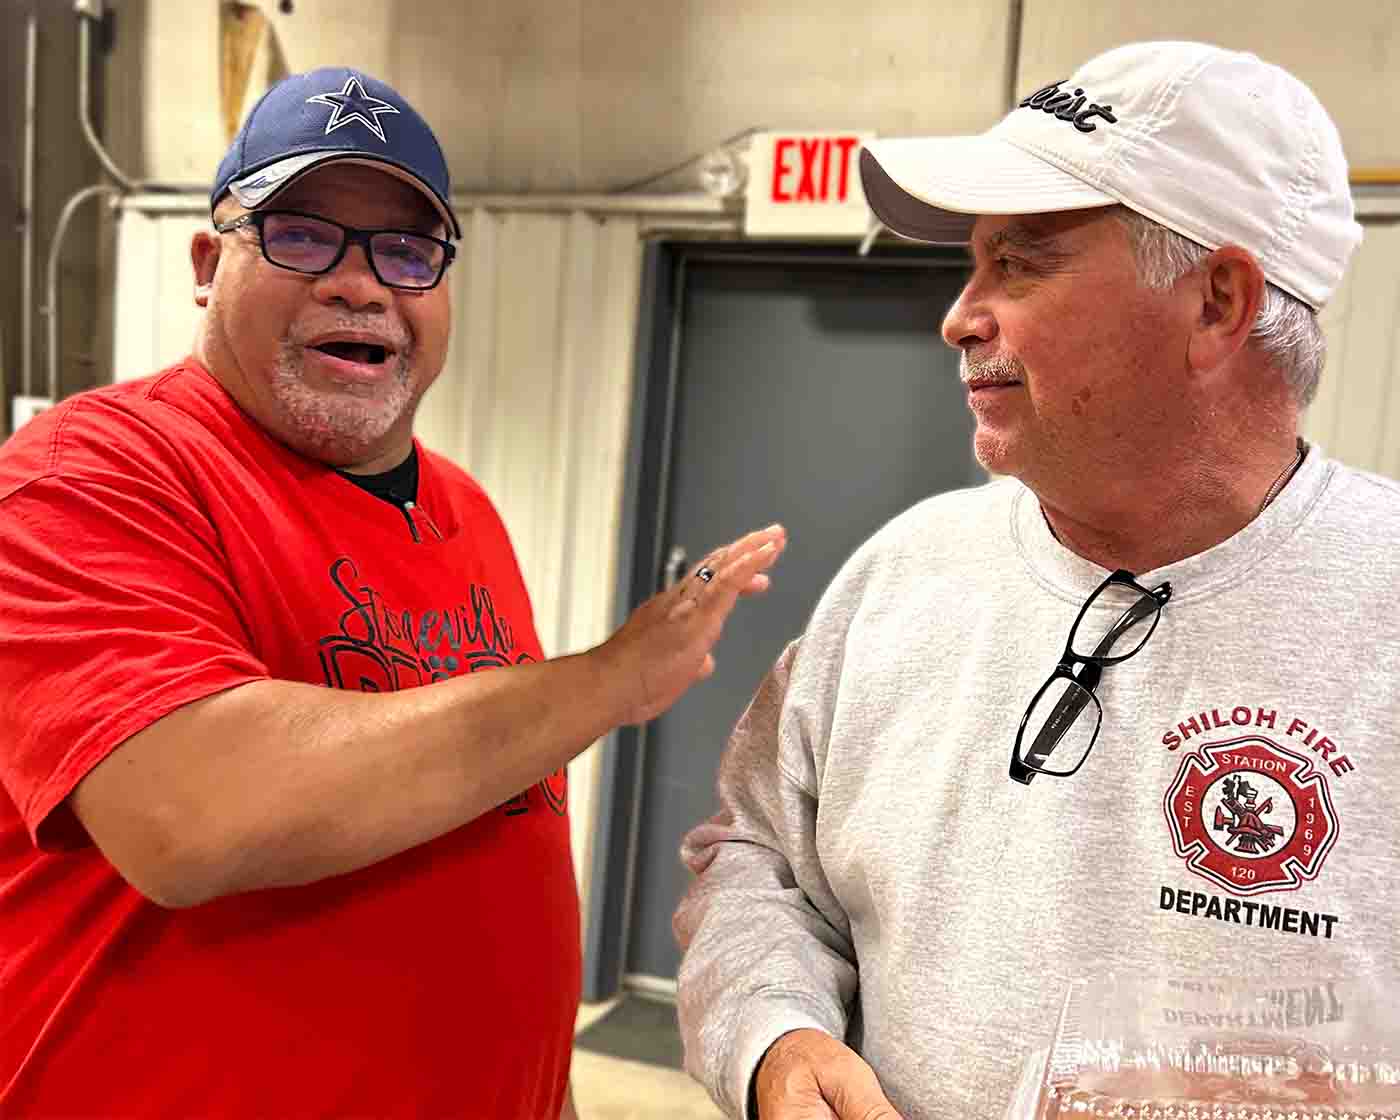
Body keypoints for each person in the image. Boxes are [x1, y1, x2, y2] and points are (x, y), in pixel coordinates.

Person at [0, 67, 785, 1118]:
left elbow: (500, 822)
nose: (360, 283)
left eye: (406, 250)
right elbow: (188, 810)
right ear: (205, 262)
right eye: (303, 235)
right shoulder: (91, 470)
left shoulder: (463, 507)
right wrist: (609, 677)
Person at [673, 40, 1400, 1120]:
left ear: (1214, 302)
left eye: (1019, 262)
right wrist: (774, 1039)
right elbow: (758, 859)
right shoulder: (902, 574)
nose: (959, 316)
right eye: (973, 265)